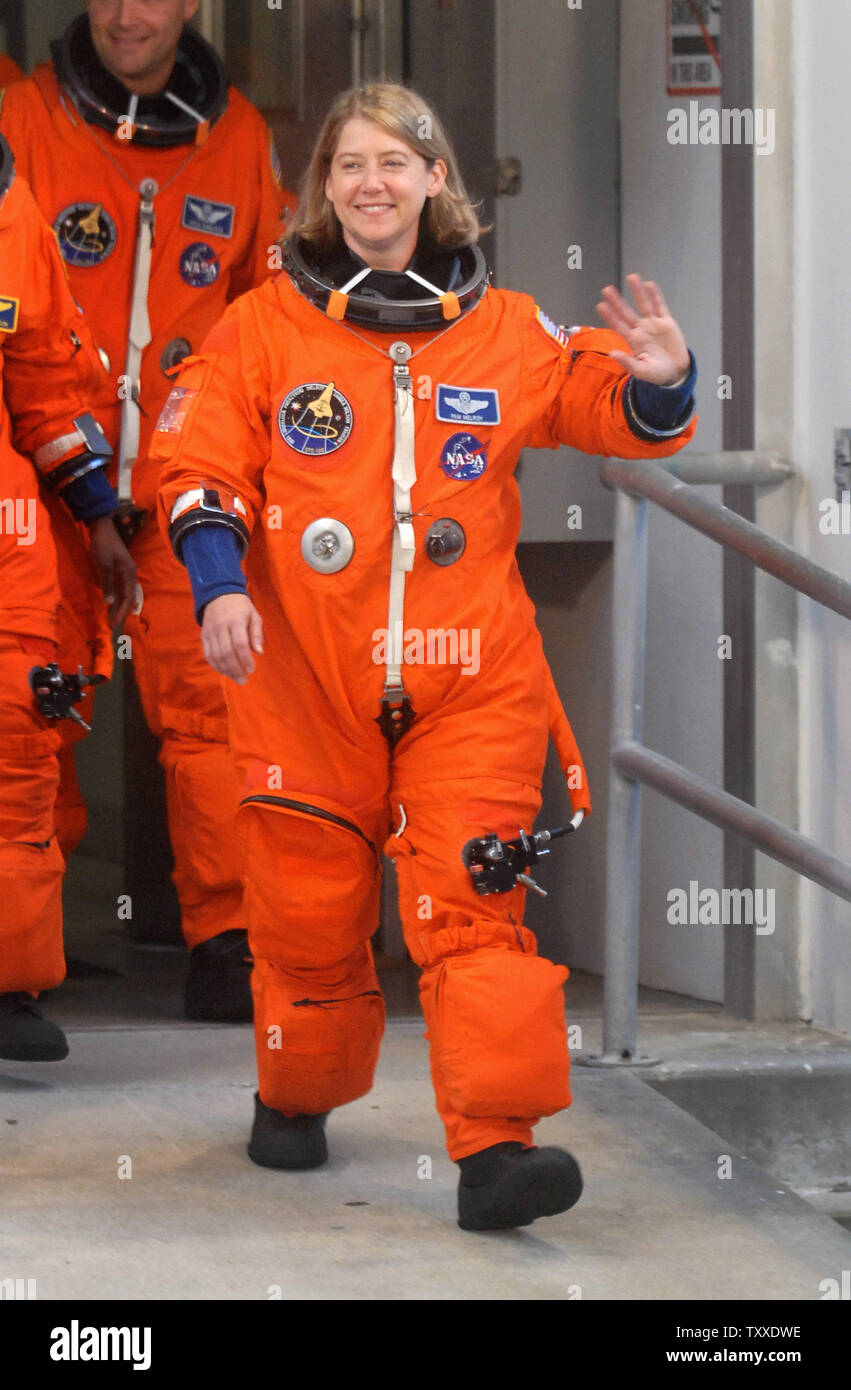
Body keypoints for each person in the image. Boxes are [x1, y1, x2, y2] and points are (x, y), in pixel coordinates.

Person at [154, 83, 698, 1231]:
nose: (370, 184)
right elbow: (197, 467)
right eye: (348, 165)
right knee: (306, 914)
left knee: (474, 903)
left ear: (435, 179)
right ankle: (296, 1090)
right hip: (307, 678)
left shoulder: (503, 328)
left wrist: (658, 383)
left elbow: (596, 402)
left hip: (469, 680)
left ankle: (498, 1148)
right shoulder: (261, 329)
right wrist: (215, 590)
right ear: (323, 191)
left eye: (393, 164)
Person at [0, 1, 296, 1021]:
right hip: (48, 475)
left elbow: (269, 307)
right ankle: (19, 960)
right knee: (32, 716)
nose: (130, 14)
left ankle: (230, 944)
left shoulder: (241, 138)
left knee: (214, 712)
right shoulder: (24, 120)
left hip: (183, 478)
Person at [0, 131, 130, 1060]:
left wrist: (98, 517)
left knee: (15, 755)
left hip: (8, 536)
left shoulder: (9, 202)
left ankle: (5, 985)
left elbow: (46, 381)